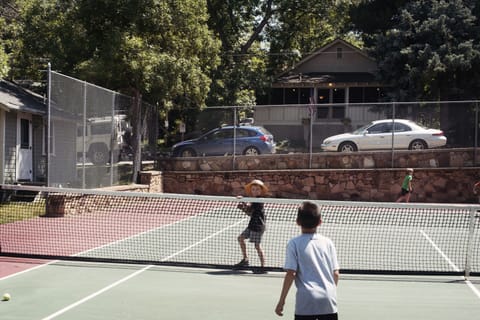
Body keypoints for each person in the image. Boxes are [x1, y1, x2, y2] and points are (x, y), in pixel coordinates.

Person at [275, 201, 340, 319]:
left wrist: (281, 301)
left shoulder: (293, 243)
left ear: (298, 222)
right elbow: (335, 274)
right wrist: (330, 292)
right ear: (320, 222)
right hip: (328, 300)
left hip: (305, 301)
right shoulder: (328, 243)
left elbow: (291, 273)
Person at [234, 179, 268, 272]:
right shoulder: (253, 200)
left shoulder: (259, 201)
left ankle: (263, 267)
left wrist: (244, 203)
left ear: (261, 191)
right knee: (240, 238)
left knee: (257, 246)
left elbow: (250, 210)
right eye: (253, 189)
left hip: (258, 226)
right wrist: (243, 206)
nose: (255, 191)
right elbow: (250, 213)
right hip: (252, 224)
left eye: (257, 189)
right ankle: (245, 260)